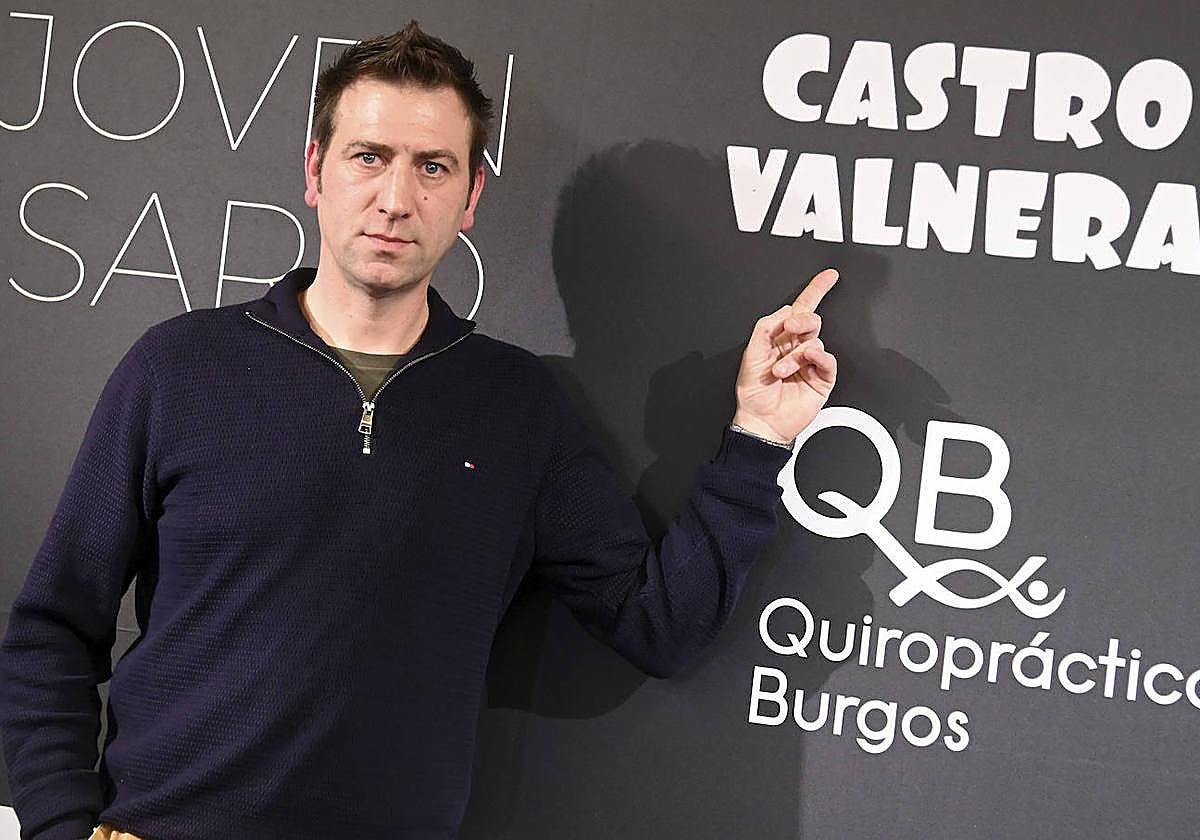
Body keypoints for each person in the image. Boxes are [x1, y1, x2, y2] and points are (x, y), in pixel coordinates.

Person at [0, 20, 838, 840]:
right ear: (315, 170)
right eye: (369, 157)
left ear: (470, 198)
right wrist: (61, 826)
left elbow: (660, 623)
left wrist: (759, 435)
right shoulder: (180, 367)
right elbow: (52, 632)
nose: (396, 200)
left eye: (433, 167)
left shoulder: (520, 408)